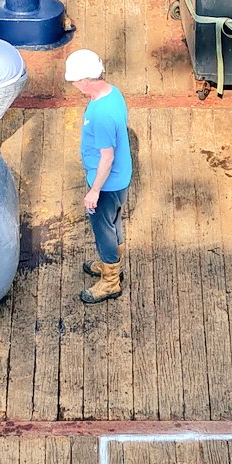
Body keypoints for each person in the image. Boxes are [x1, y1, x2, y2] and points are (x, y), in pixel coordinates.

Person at [65, 49, 132, 304]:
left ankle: (110, 281)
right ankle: (110, 264)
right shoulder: (112, 93)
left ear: (85, 81)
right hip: (121, 178)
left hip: (106, 183)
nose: (73, 86)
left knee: (104, 229)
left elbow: (107, 157)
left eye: (74, 82)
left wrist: (94, 190)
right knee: (114, 221)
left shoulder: (100, 114)